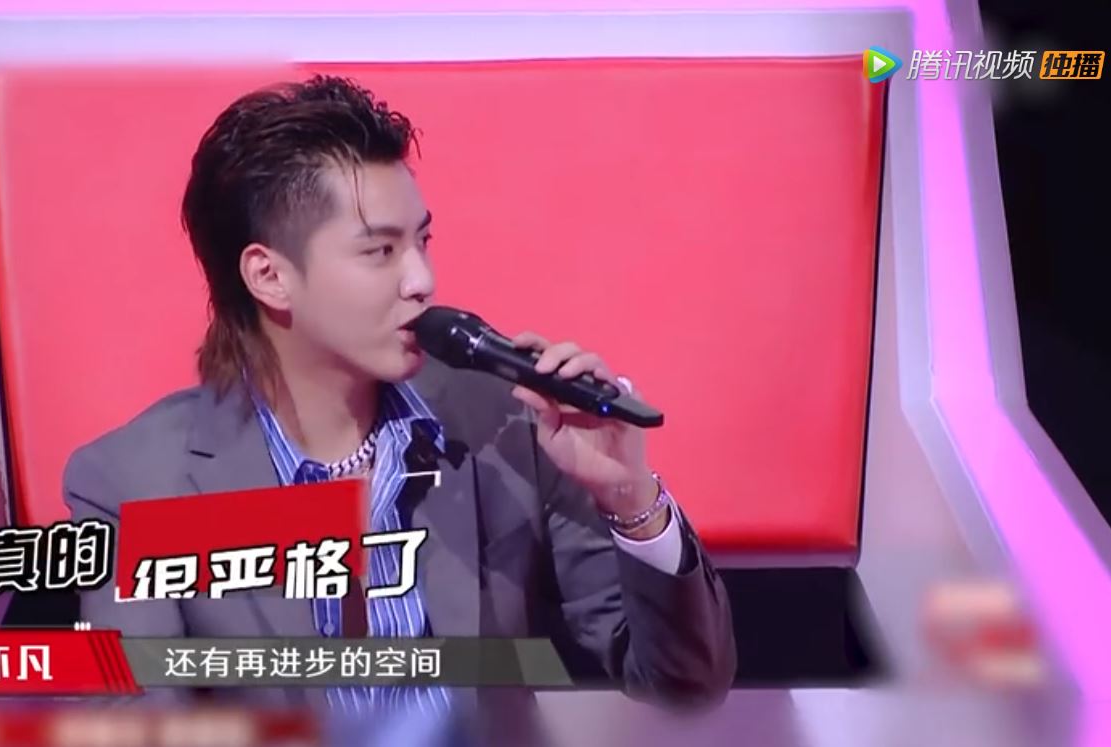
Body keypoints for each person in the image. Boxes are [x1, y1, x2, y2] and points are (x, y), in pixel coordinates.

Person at [64, 74, 736, 746]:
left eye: (422, 242)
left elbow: (684, 681)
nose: (421, 280)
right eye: (379, 251)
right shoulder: (137, 483)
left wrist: (629, 497)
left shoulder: (505, 421)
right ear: (269, 276)